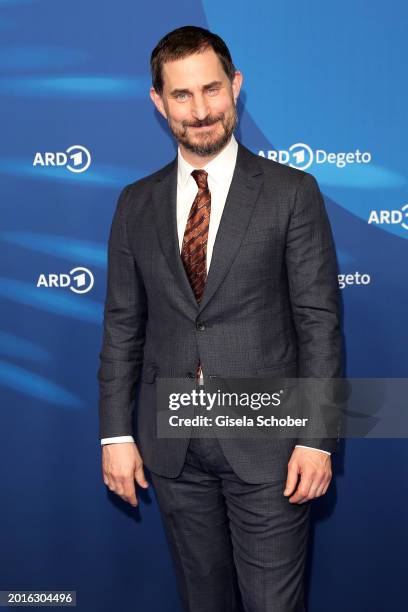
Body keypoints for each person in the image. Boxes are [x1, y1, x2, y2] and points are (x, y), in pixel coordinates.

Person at [97, 25, 343, 612]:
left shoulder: (291, 192)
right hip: (173, 443)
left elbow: (319, 323)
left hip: (270, 445)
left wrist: (319, 439)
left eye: (211, 90)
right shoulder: (136, 202)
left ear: (235, 86)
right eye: (182, 95)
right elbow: (122, 326)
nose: (200, 110)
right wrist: (115, 432)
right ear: (159, 101)